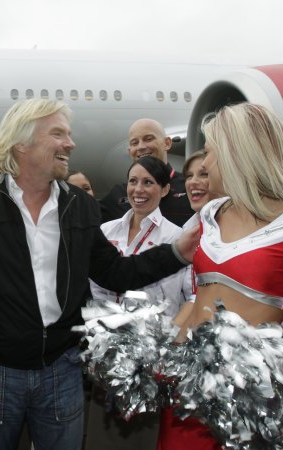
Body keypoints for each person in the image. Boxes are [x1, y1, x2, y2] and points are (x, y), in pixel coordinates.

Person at [0, 99, 197, 450]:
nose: (71, 143)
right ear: (22, 142)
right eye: (58, 134)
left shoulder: (79, 206)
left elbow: (114, 272)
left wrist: (175, 252)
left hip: (61, 371)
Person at [164, 103, 283, 450]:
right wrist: (164, 353)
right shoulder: (211, 213)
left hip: (249, 403)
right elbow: (198, 300)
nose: (205, 163)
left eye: (210, 152)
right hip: (188, 394)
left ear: (238, 153)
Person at [86, 156, 195, 450]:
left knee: (143, 440)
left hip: (153, 360)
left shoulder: (177, 238)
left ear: (165, 189)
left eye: (148, 182)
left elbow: (192, 298)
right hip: (106, 355)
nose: (139, 189)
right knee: (101, 439)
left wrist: (170, 346)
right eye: (133, 181)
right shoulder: (106, 232)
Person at [99, 119, 193, 226]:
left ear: (167, 143)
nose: (141, 147)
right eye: (135, 143)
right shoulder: (118, 194)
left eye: (148, 139)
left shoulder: (189, 187)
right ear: (130, 151)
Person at [180, 151, 211, 231]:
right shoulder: (187, 229)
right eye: (189, 176)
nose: (192, 181)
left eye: (204, 174)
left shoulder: (239, 227)